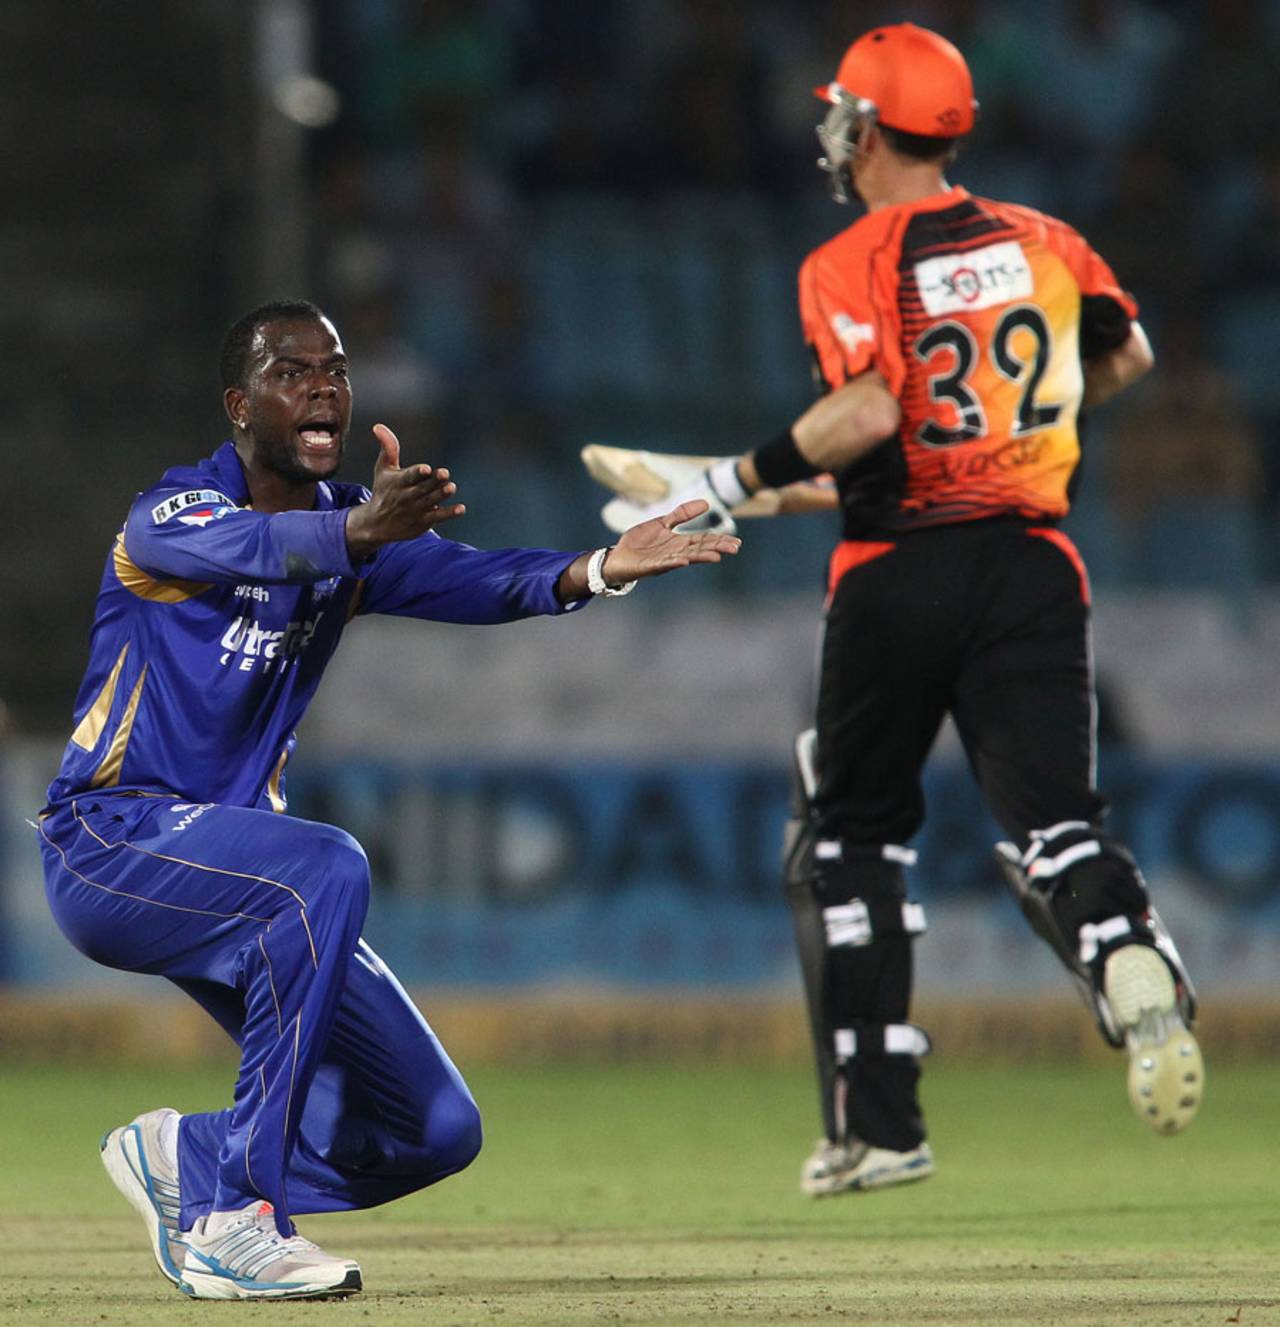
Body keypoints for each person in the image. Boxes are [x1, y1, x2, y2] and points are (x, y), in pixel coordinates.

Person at [35, 299, 740, 1300]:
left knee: (432, 1129)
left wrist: (598, 568)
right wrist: (359, 529)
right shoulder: (174, 515)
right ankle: (237, 1218)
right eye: (291, 371)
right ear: (240, 405)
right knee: (326, 864)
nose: (322, 383)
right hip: (105, 843)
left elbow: (478, 579)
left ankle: (192, 1162)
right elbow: (256, 550)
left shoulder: (350, 536)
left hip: (239, 870)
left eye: (334, 368)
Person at [609, 23, 1202, 1196]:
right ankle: (1122, 947)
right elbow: (1124, 358)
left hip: (896, 573)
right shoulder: (1047, 238)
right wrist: (1009, 434)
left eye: (841, 115)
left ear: (866, 128)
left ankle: (878, 1126)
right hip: (1033, 564)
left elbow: (875, 409)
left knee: (848, 832)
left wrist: (724, 482)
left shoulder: (853, 257)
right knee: (1052, 821)